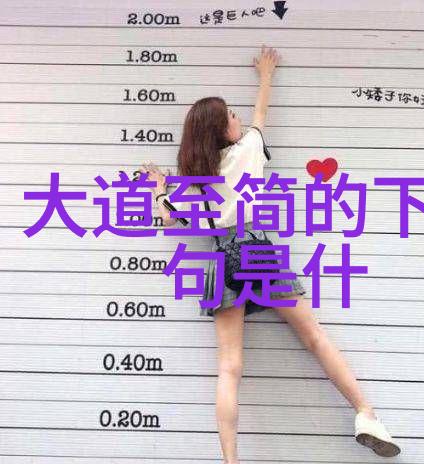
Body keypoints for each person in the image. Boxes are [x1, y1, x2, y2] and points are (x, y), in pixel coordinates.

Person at [139, 44, 401, 463]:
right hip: (255, 248)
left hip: (220, 260)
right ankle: (366, 414)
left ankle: (231, 461)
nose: (238, 118)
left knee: (229, 367)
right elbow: (261, 113)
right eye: (231, 116)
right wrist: (266, 74)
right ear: (223, 130)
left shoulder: (196, 179)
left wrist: (158, 188)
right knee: (313, 337)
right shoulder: (247, 149)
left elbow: (169, 220)